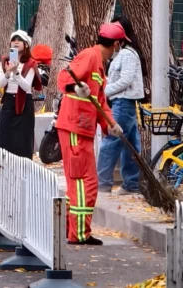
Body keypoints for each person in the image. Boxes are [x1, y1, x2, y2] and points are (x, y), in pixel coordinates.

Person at [55, 22, 123, 246]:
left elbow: (100, 101)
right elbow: (64, 78)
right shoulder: (90, 56)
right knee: (85, 183)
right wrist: (75, 88)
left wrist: (111, 124)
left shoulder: (99, 64)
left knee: (80, 182)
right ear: (116, 44)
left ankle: (71, 229)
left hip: (81, 128)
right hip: (75, 126)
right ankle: (79, 233)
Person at [97, 17, 144, 195]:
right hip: (123, 102)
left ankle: (102, 183)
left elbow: (125, 80)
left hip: (123, 103)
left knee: (111, 141)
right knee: (131, 144)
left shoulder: (127, 54)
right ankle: (131, 183)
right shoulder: (122, 54)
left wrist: (105, 91)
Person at [0, 30, 37, 159]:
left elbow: (26, 86)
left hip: (25, 103)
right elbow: (0, 84)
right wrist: (8, 73)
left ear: (26, 44)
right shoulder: (5, 60)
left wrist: (17, 74)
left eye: (19, 40)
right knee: (5, 138)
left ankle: (25, 169)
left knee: (23, 140)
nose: (16, 42)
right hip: (8, 101)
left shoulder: (31, 63)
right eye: (14, 40)